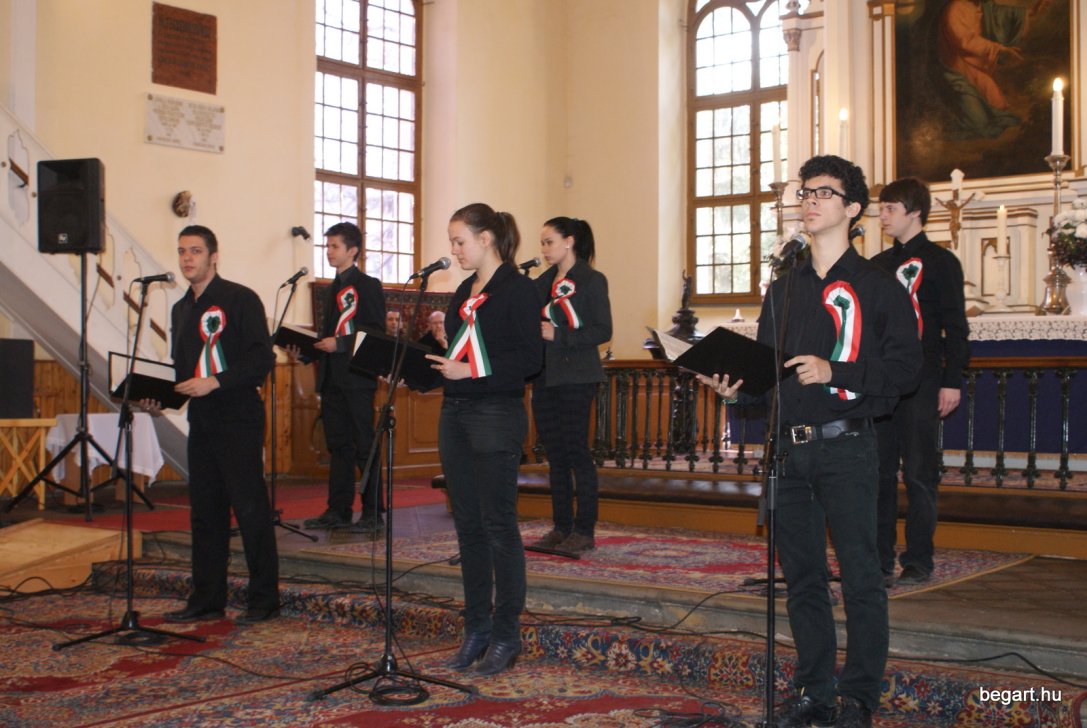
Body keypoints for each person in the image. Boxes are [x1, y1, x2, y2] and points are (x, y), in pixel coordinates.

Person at [698, 156, 921, 727]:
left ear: (853, 209)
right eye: (805, 192)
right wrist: (734, 391)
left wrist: (834, 371)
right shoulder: (784, 288)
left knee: (862, 578)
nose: (811, 200)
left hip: (848, 447)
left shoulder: (879, 286)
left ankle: (858, 698)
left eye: (824, 192)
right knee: (801, 580)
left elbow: (905, 373)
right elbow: (769, 376)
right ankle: (814, 690)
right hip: (790, 451)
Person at [425, 203, 542, 676]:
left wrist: (471, 370)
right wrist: (438, 348)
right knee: (468, 527)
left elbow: (529, 359)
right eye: (452, 242)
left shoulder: (519, 289)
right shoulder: (462, 291)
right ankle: (475, 628)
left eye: (460, 241)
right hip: (455, 412)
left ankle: (506, 635)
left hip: (495, 413)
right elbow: (463, 352)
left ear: (486, 238)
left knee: (498, 526)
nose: (454, 250)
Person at [151, 225, 280, 624]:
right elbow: (182, 370)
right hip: (202, 418)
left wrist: (217, 381)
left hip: (239, 415)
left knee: (250, 508)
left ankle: (264, 600)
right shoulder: (180, 309)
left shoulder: (241, 299)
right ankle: (207, 599)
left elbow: (262, 359)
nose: (187, 258)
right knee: (205, 512)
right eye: (181, 251)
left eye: (195, 250)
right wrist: (158, 397)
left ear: (214, 256)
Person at [873, 177, 970, 586]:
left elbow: (956, 327)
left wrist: (952, 380)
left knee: (918, 473)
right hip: (882, 382)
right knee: (878, 473)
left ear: (914, 212)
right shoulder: (877, 265)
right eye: (881, 208)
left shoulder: (941, 261)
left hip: (924, 379)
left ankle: (918, 559)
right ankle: (879, 559)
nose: (882, 216)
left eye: (890, 208)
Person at [529, 217, 612, 555]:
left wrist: (559, 335)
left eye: (549, 241)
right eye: (542, 243)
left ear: (569, 241)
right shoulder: (542, 282)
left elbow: (603, 330)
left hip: (577, 377)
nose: (544, 249)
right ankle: (561, 527)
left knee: (577, 453)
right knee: (555, 456)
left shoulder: (592, 280)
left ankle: (584, 530)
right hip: (546, 377)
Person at [300, 222, 387, 533]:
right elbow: (327, 334)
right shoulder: (332, 289)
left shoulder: (368, 285)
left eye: (335, 246)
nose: (329, 252)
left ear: (353, 250)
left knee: (364, 444)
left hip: (357, 377)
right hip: (332, 378)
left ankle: (373, 512)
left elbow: (375, 333)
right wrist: (304, 351)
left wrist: (339, 344)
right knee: (338, 446)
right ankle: (338, 509)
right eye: (328, 246)